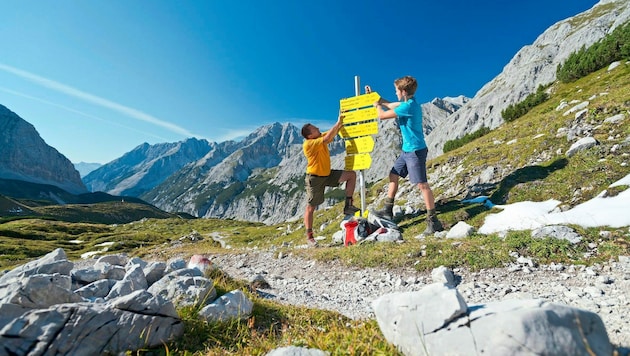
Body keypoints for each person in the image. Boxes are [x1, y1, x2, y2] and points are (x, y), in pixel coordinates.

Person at [368, 76, 444, 234]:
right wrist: (375, 96)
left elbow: (382, 115)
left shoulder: (408, 107)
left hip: (415, 151)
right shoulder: (409, 102)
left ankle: (433, 221)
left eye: (396, 90)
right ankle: (388, 210)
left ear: (403, 92)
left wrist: (376, 106)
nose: (395, 92)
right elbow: (388, 103)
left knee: (422, 185)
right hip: (407, 150)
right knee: (393, 175)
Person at [302, 114, 359, 246]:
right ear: (310, 135)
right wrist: (338, 121)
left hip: (327, 174)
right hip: (315, 178)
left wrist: (345, 119)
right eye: (314, 128)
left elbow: (333, 132)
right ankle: (309, 236)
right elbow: (328, 137)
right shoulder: (309, 144)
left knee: (351, 175)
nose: (318, 128)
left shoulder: (319, 137)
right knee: (311, 207)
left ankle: (348, 205)